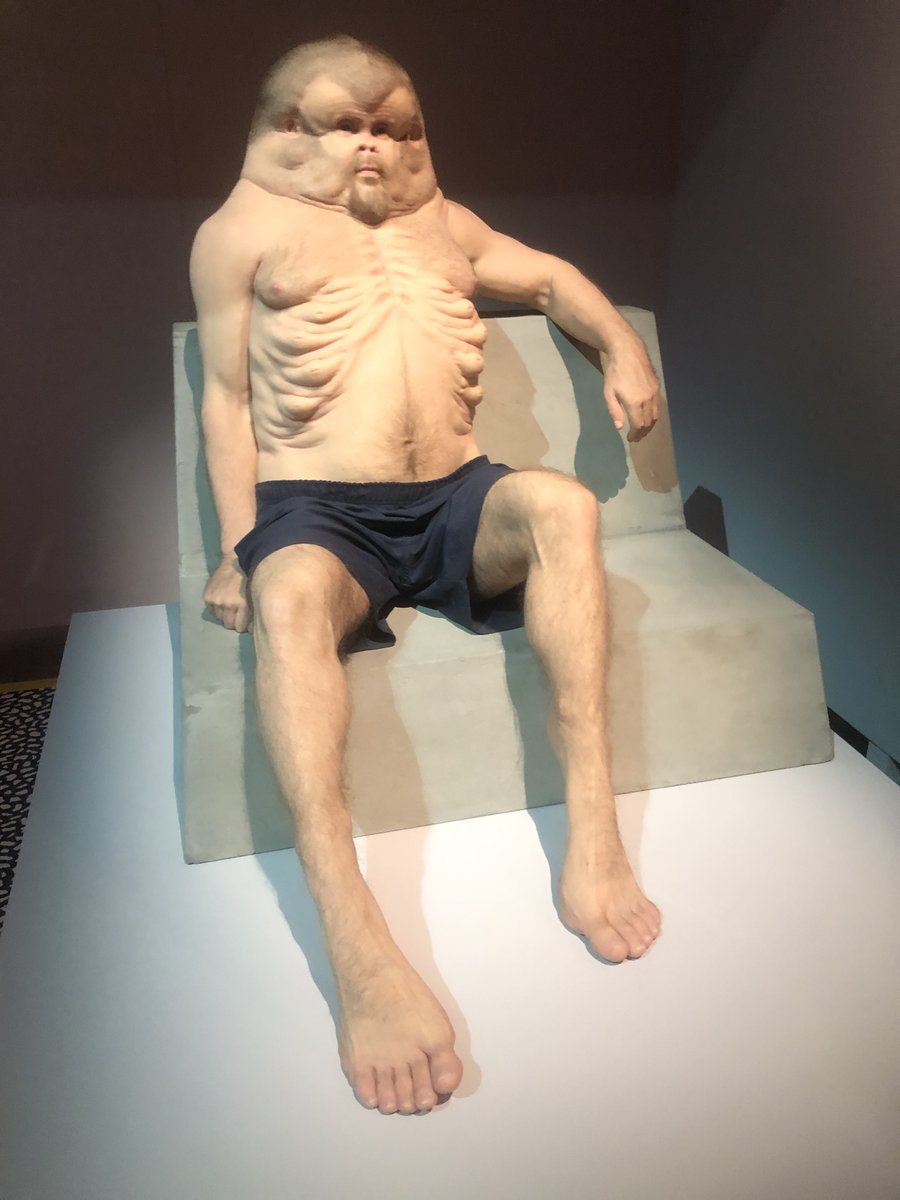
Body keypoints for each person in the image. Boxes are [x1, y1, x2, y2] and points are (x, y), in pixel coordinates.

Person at [190, 35, 662, 1117]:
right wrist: (235, 545)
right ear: (290, 129)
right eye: (344, 124)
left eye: (389, 127)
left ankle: (594, 836)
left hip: (454, 496)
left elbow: (550, 277)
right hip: (319, 511)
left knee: (564, 505)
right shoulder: (238, 233)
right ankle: (354, 938)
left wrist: (622, 349)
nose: (369, 145)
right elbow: (227, 399)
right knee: (288, 596)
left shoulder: (446, 225)